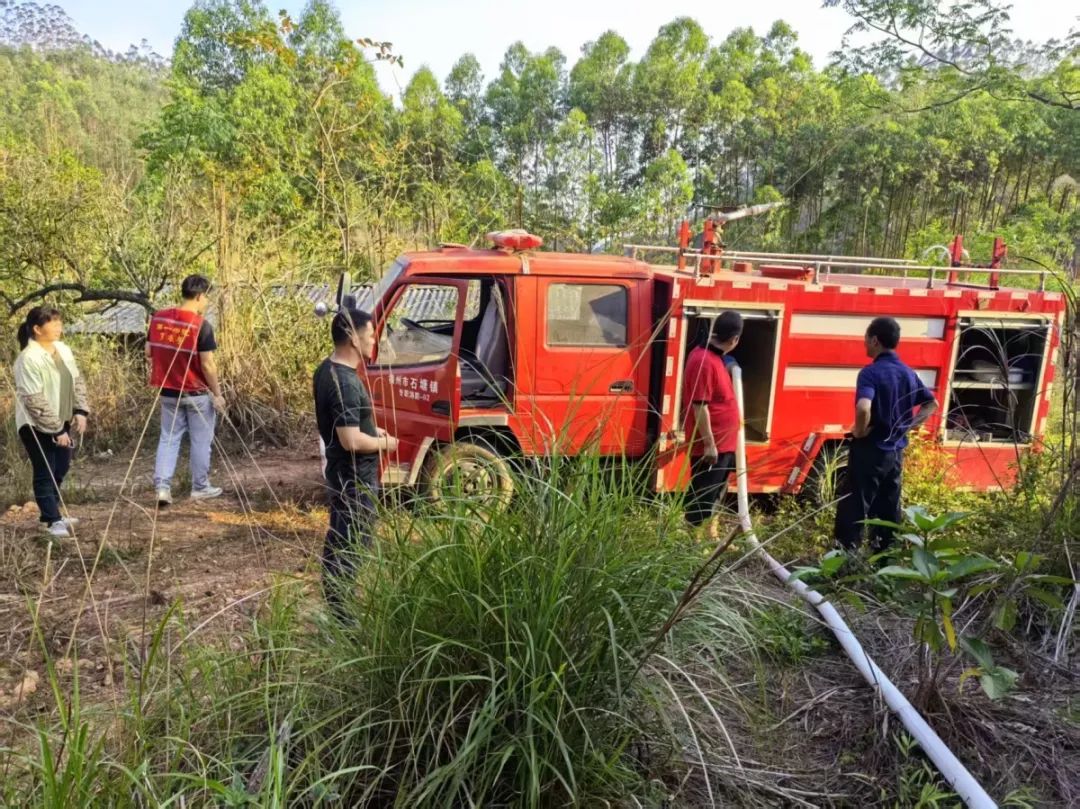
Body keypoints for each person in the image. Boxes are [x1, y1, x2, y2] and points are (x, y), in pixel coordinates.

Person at [313, 307, 398, 616]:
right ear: (352, 336)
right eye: (371, 333)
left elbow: (349, 426)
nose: (374, 339)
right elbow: (351, 441)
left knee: (340, 537)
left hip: (341, 472)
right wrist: (384, 443)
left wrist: (373, 430)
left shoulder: (327, 369)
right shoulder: (346, 383)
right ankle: (342, 618)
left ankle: (335, 607)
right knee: (352, 544)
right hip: (354, 478)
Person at [834, 316, 939, 552]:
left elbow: (863, 407)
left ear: (874, 340)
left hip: (870, 450)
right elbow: (932, 404)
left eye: (865, 339)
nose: (864, 344)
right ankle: (884, 559)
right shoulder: (908, 373)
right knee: (888, 509)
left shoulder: (870, 373)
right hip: (895, 453)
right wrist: (909, 425)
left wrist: (859, 431)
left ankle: (844, 561)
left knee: (854, 506)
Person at [146, 274, 225, 506]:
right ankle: (200, 487)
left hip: (168, 392)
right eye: (207, 297)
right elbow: (208, 364)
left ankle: (162, 488)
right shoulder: (201, 326)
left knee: (168, 439)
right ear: (200, 296)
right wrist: (218, 394)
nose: (207, 302)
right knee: (201, 440)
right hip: (197, 393)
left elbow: (148, 352)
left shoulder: (158, 319)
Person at [13, 306, 90, 538]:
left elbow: (76, 379)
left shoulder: (63, 350)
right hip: (35, 424)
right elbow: (34, 400)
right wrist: (56, 429)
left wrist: (80, 410)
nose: (58, 327)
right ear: (37, 329)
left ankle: (51, 512)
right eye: (52, 322)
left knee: (62, 466)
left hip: (61, 418)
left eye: (59, 322)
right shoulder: (28, 358)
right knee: (45, 469)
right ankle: (52, 520)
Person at [683, 311, 743, 540]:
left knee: (716, 492)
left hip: (723, 443)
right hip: (712, 447)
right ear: (734, 339)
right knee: (702, 495)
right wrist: (709, 444)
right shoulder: (704, 361)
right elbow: (700, 406)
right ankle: (691, 542)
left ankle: (711, 535)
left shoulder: (713, 358)